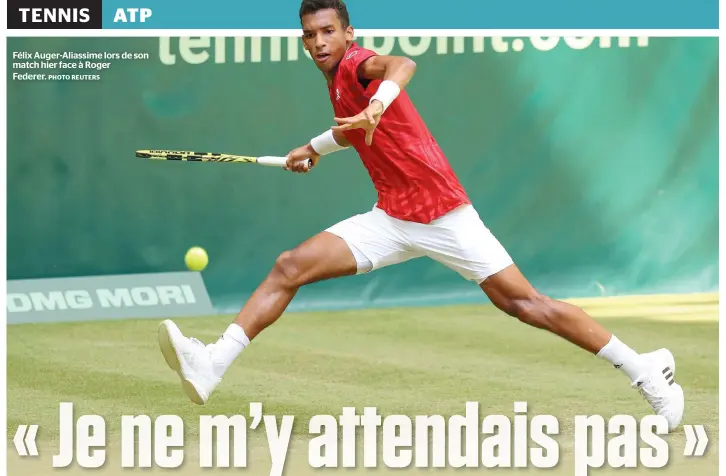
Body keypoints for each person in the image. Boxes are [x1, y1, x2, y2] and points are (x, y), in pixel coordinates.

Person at [157, 0, 684, 431]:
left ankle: (645, 371)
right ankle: (212, 364)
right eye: (309, 35)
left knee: (526, 304)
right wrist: (313, 146)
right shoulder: (336, 81)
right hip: (391, 218)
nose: (317, 42)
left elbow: (402, 67)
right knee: (290, 266)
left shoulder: (359, 64)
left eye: (326, 32)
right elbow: (351, 129)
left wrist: (380, 101)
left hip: (443, 215)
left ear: (347, 33)